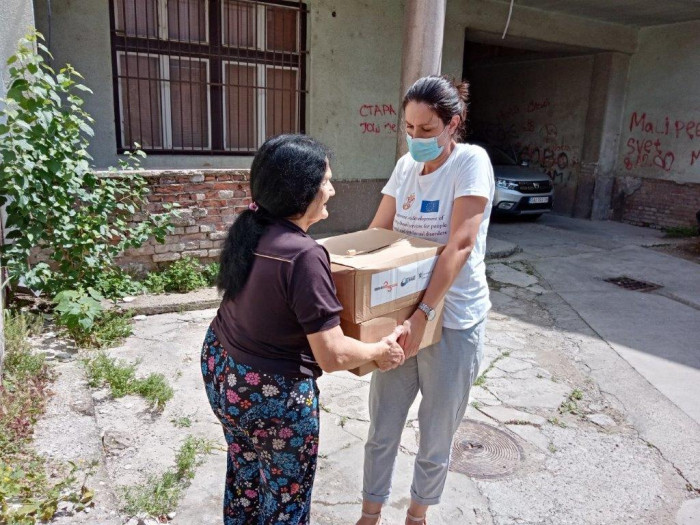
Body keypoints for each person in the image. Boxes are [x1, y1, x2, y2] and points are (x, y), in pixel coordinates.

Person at [201, 134, 406, 525]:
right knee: (285, 497)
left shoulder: (253, 229)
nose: (332, 189)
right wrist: (381, 352)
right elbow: (333, 355)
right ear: (302, 192)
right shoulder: (304, 255)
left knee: (246, 472)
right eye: (326, 181)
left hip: (222, 370)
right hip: (269, 395)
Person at [356, 76, 495, 525]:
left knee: (436, 432)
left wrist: (424, 314)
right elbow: (379, 234)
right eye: (409, 128)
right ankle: (371, 513)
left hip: (451, 318)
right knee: (383, 426)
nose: (415, 139)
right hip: (399, 319)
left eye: (427, 129)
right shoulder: (405, 168)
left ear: (452, 124)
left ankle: (416, 516)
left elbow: (459, 244)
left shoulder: (471, 163)